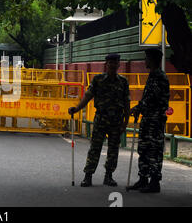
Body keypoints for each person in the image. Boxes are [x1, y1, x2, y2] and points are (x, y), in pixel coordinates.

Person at [68, 53, 130, 187]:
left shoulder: (123, 82)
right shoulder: (98, 80)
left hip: (117, 120)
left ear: (119, 64)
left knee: (113, 149)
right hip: (101, 118)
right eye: (110, 63)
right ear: (106, 64)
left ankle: (109, 176)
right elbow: (87, 96)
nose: (113, 65)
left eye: (115, 62)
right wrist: (77, 109)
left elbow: (126, 102)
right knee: (95, 148)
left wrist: (125, 122)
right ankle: (88, 176)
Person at [127, 48, 170, 193]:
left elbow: (152, 99)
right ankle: (143, 178)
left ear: (152, 60)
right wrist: (139, 108)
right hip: (148, 119)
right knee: (144, 149)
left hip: (155, 120)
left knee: (154, 150)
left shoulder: (159, 77)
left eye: (146, 58)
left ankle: (154, 182)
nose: (145, 60)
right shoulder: (152, 75)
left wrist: (138, 108)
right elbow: (147, 98)